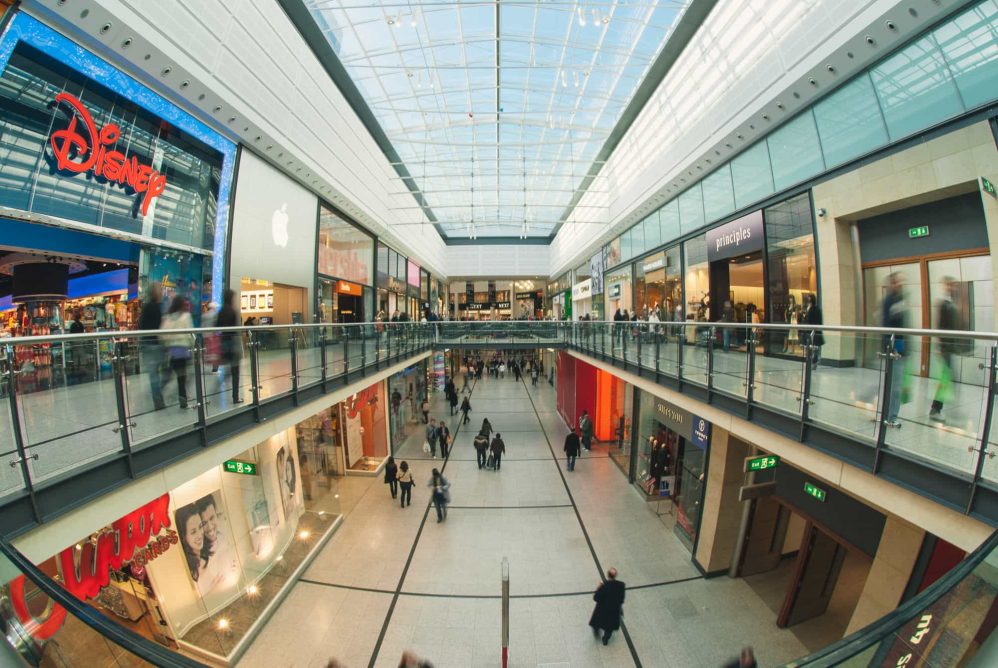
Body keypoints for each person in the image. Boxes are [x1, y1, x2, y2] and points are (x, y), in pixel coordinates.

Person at [931, 277, 963, 424]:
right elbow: (940, 327)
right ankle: (935, 409)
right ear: (945, 286)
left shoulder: (951, 303)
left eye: (953, 285)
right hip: (945, 348)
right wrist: (941, 347)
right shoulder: (944, 304)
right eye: (950, 285)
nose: (952, 288)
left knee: (947, 378)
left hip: (949, 347)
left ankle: (937, 406)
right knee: (945, 379)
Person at [882, 272, 908, 427]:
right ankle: (891, 416)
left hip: (898, 346)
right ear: (891, 284)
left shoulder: (898, 300)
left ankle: (889, 414)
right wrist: (891, 347)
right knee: (895, 384)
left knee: (893, 382)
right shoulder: (891, 301)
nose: (899, 284)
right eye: (896, 282)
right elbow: (889, 325)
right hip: (894, 347)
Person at [160, 295, 193, 409]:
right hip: (183, 351)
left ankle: (160, 394)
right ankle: (183, 401)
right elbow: (190, 333)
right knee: (182, 377)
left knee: (172, 375)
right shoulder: (186, 316)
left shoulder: (167, 318)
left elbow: (162, 334)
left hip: (171, 352)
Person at [138, 282, 166, 410]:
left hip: (148, 344)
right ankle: (159, 396)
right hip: (157, 344)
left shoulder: (146, 307)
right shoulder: (159, 307)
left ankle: (158, 399)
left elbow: (142, 326)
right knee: (163, 372)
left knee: (153, 374)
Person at [216, 288, 243, 403]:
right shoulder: (233, 311)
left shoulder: (221, 311)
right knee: (235, 371)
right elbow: (237, 330)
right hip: (233, 343)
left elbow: (217, 327)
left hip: (224, 343)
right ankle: (235, 397)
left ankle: (216, 387)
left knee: (229, 369)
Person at [589, 567, 625, 646]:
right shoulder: (621, 585)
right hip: (614, 611)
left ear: (608, 575)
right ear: (615, 575)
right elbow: (621, 599)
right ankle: (605, 639)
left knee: (597, 622)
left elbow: (596, 598)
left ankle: (596, 633)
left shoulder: (603, 586)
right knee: (609, 627)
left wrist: (598, 588)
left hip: (602, 610)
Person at [801, 293, 823, 369]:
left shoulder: (814, 309)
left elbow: (812, 320)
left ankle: (813, 362)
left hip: (813, 331)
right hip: (811, 331)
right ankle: (812, 362)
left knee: (813, 348)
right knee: (810, 347)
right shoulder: (811, 309)